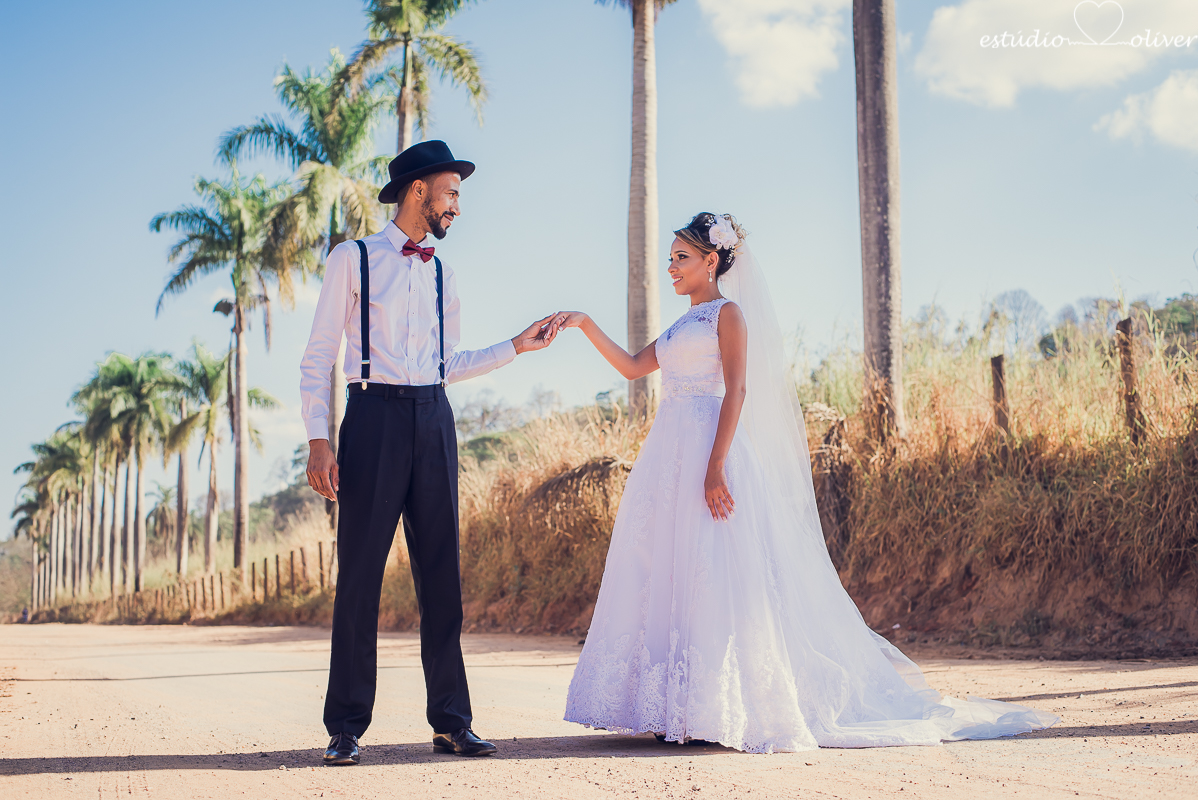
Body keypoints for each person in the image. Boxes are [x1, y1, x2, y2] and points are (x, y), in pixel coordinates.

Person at [555, 213, 1059, 753]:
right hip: (667, 454)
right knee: (666, 567)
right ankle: (672, 706)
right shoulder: (682, 325)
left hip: (707, 448)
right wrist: (583, 323)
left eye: (681, 256)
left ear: (712, 260)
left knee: (716, 569)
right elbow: (633, 367)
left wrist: (715, 466)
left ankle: (714, 707)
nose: (671, 266)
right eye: (671, 256)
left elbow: (737, 392)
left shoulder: (727, 315)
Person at [301, 140, 561, 765]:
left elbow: (448, 363)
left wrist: (514, 347)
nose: (458, 207)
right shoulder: (353, 257)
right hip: (372, 419)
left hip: (433, 419)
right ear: (419, 190)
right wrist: (318, 438)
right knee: (361, 576)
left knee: (442, 576)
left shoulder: (441, 270)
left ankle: (451, 720)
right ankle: (345, 726)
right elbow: (318, 356)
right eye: (452, 193)